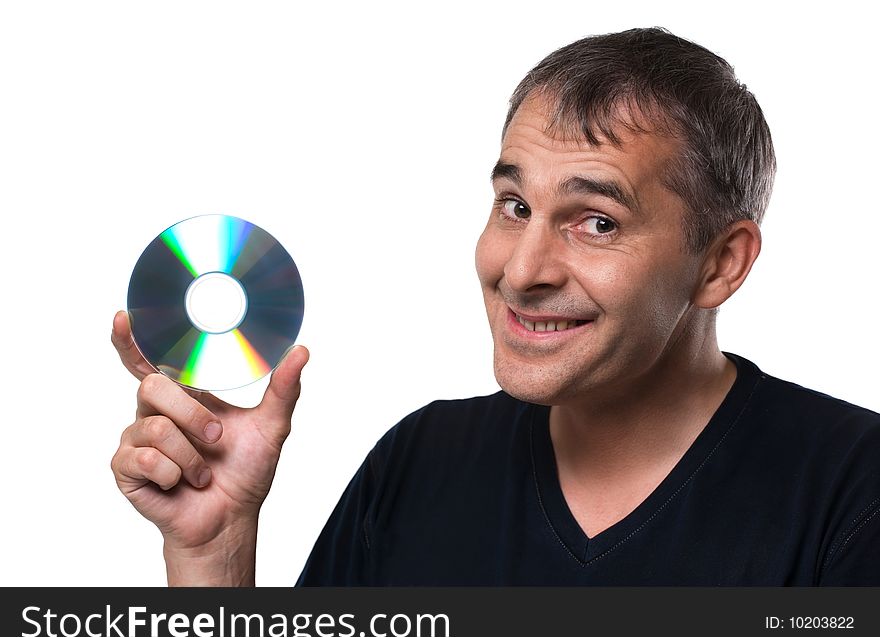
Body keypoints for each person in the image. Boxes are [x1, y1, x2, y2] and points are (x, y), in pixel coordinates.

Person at [111, 27, 880, 585]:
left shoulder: (852, 490)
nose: (521, 270)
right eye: (514, 205)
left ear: (720, 263)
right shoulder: (418, 464)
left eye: (597, 221)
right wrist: (214, 554)